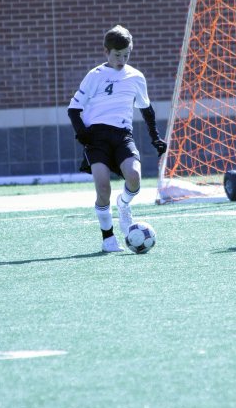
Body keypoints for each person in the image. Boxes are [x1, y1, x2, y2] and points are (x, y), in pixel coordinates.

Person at [68, 25, 167, 252]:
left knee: (134, 177)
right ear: (106, 52)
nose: (122, 60)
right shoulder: (95, 76)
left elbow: (147, 109)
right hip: (97, 138)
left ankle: (123, 206)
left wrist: (156, 138)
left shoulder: (136, 77)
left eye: (126, 55)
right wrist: (83, 134)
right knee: (102, 188)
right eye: (117, 55)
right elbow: (73, 109)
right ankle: (108, 239)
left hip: (122, 135)